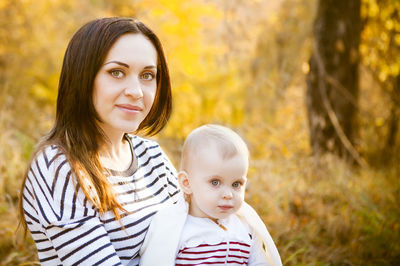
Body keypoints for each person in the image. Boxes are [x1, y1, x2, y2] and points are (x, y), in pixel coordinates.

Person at [18, 17, 182, 265]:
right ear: (82, 77)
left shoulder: (152, 154)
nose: (136, 91)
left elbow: (196, 237)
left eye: (148, 75)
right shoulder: (59, 168)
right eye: (117, 72)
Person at [139, 124, 282, 266]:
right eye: (215, 182)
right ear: (187, 183)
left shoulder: (245, 227)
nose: (228, 195)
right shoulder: (176, 231)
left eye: (236, 184)